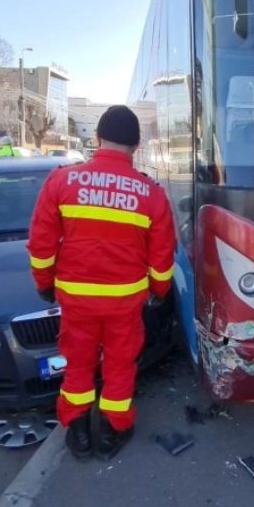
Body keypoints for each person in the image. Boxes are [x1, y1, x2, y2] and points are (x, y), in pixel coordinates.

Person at [27, 105, 176, 461]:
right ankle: (113, 431)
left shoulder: (62, 181)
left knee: (77, 363)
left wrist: (44, 284)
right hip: (125, 302)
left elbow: (41, 244)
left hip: (76, 300)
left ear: (97, 140)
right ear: (137, 146)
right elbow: (162, 257)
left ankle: (77, 432)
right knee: (120, 365)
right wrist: (159, 292)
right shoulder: (150, 193)